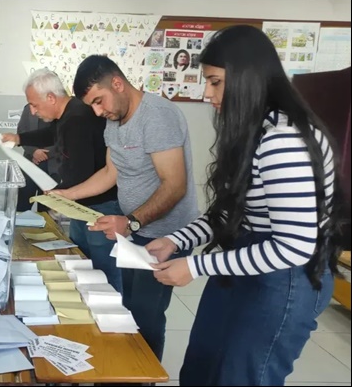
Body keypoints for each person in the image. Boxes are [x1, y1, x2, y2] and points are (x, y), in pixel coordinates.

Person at [146, 25, 345, 386]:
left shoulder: (285, 141)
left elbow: (294, 247)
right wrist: (178, 241)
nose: (207, 93)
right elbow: (228, 211)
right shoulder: (254, 130)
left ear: (248, 77)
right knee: (201, 368)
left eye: (216, 82)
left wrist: (197, 265)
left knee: (242, 377)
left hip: (284, 277)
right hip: (244, 261)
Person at [55, 54, 200, 361]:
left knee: (147, 315)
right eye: (92, 105)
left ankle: (142, 374)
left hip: (164, 236)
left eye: (99, 100)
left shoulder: (157, 116)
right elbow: (111, 173)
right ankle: (127, 368)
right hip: (135, 233)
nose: (97, 111)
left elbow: (175, 186)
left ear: (117, 83)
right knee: (127, 307)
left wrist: (131, 222)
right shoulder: (114, 124)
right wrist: (68, 195)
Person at [1, 69, 122, 293]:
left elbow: (81, 171)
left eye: (35, 105)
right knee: (82, 262)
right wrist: (19, 138)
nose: (33, 112)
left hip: (98, 206)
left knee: (102, 273)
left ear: (50, 97)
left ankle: (114, 324)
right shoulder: (68, 114)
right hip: (81, 205)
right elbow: (50, 134)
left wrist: (59, 192)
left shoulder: (77, 119)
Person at [15, 102, 57, 212]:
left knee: (48, 206)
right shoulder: (29, 108)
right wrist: (34, 151)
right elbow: (21, 132)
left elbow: (63, 138)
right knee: (23, 203)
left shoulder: (59, 110)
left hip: (53, 164)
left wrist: (45, 154)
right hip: (30, 163)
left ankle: (47, 229)